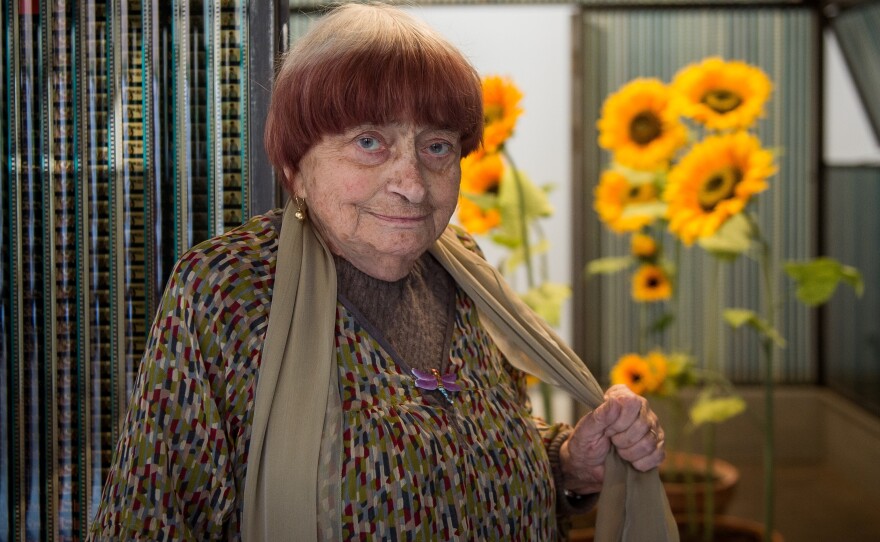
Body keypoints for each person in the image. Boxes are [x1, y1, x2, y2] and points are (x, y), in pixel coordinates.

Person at [90, 4, 674, 541]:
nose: (413, 183)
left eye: (438, 147)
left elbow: (470, 462)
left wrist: (570, 463)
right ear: (295, 164)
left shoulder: (462, 271)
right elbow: (152, 520)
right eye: (370, 141)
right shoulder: (228, 290)